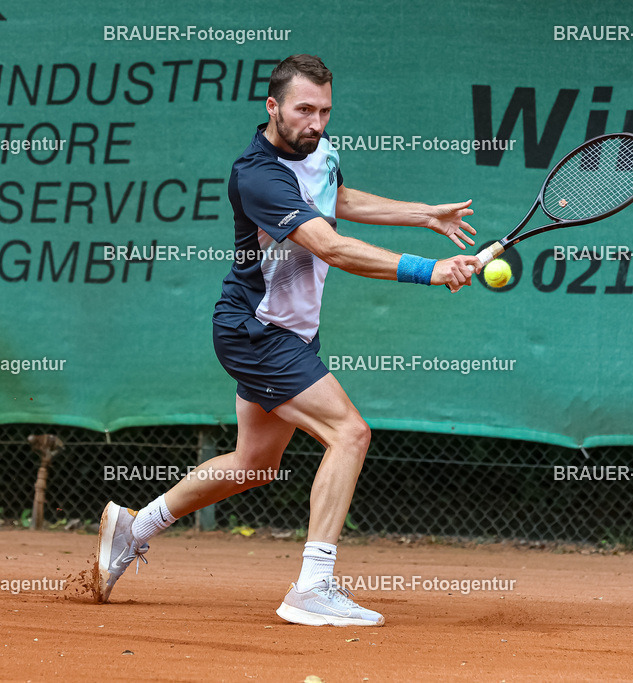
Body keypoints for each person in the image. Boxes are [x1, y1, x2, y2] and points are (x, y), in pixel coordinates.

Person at [95, 54, 482, 627]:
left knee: (253, 463)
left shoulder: (317, 150)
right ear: (272, 107)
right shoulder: (258, 175)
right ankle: (312, 586)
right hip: (257, 330)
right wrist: (431, 269)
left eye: (324, 110)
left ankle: (135, 527)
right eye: (304, 109)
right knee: (350, 433)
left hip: (287, 331)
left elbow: (337, 199)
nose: (316, 122)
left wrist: (424, 214)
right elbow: (330, 245)